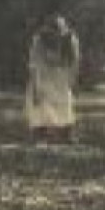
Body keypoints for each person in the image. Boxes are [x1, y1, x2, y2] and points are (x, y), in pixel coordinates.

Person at [26, 14, 80, 142]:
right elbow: (34, 64)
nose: (56, 36)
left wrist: (73, 79)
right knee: (40, 104)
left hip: (61, 76)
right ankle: (39, 132)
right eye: (53, 32)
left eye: (59, 33)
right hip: (43, 75)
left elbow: (75, 62)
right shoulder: (38, 40)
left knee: (65, 103)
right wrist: (35, 85)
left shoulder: (70, 40)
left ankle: (67, 133)